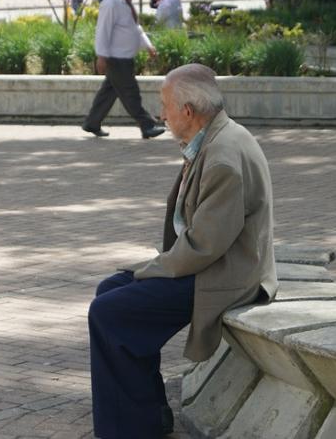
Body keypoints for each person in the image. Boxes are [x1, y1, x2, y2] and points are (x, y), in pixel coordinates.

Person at [89, 62, 276, 438]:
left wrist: (150, 269)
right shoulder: (212, 136)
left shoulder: (223, 154)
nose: (161, 114)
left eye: (165, 105)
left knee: (109, 311)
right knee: (110, 291)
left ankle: (129, 428)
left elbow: (205, 246)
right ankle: (149, 411)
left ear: (187, 112)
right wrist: (147, 270)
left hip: (227, 274)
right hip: (212, 262)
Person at [82, 0, 165, 139]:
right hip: (116, 59)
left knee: (108, 93)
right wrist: (101, 57)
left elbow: (135, 28)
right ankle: (147, 125)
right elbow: (102, 32)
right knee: (130, 93)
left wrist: (148, 45)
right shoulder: (110, 4)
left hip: (124, 58)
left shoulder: (124, 3)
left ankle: (92, 122)